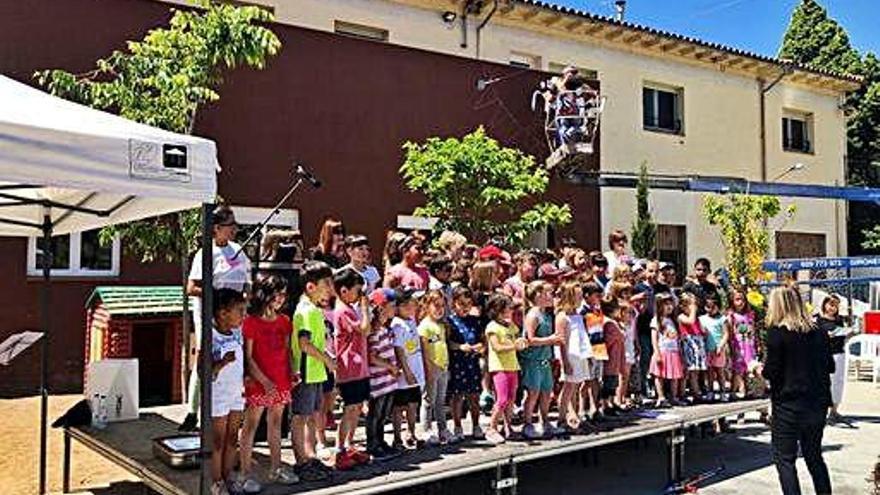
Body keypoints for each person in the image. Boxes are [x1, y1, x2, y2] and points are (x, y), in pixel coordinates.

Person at [182, 205, 252, 433]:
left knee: (234, 358)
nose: (234, 229)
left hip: (234, 317)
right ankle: (194, 412)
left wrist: (244, 298)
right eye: (229, 225)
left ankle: (230, 408)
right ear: (216, 228)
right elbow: (191, 288)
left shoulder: (239, 251)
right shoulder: (205, 253)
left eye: (235, 225)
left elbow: (247, 283)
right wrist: (215, 294)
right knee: (207, 359)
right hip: (211, 316)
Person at [761, 287, 833, 495]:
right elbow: (830, 366)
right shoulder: (819, 332)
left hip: (789, 403)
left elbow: (772, 372)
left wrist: (759, 370)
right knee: (814, 456)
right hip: (817, 402)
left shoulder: (777, 333)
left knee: (785, 459)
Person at [239, 276, 298, 491]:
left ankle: (276, 467)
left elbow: (287, 351)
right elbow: (249, 357)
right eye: (278, 294)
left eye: (284, 294)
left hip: (280, 380)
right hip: (259, 382)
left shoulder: (284, 321)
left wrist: (292, 372)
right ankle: (245, 473)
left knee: (276, 424)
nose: (281, 298)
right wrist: (263, 380)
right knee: (251, 425)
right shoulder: (251, 322)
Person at [290, 261, 336, 481]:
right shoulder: (306, 310)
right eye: (326, 283)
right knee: (301, 417)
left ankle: (310, 456)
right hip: (306, 372)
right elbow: (304, 343)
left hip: (316, 372)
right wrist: (327, 359)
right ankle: (301, 461)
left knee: (311, 416)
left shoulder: (315, 309)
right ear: (310, 287)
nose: (330, 288)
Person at [205, 289, 247, 495]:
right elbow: (205, 372)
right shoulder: (210, 336)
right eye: (239, 310)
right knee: (218, 440)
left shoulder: (238, 334)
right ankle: (216, 481)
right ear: (223, 313)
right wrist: (222, 363)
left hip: (236, 393)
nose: (242, 315)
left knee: (232, 438)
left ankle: (229, 475)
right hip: (218, 395)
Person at [331, 268, 372, 469]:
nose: (360, 295)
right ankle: (340, 449)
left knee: (356, 408)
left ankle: (349, 445)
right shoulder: (343, 311)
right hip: (349, 369)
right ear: (344, 291)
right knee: (349, 409)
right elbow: (365, 329)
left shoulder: (349, 308)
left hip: (359, 367)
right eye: (357, 291)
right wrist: (364, 308)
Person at [484, 293, 528, 444]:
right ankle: (492, 428)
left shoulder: (510, 326)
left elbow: (516, 339)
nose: (511, 311)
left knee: (511, 399)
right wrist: (514, 345)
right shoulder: (492, 327)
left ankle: (508, 427)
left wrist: (521, 342)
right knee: (502, 399)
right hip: (499, 367)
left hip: (512, 366)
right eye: (508, 308)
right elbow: (497, 347)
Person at [521, 281, 562, 439]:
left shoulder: (546, 314)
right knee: (533, 393)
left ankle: (544, 421)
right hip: (533, 360)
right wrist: (550, 340)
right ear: (538, 295)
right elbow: (530, 339)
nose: (551, 296)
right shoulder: (533, 315)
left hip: (545, 359)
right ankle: (527, 423)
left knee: (546, 391)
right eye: (548, 293)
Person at [365, 288, 402, 461]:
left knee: (383, 414)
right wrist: (390, 366)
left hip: (388, 380)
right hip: (378, 381)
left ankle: (380, 441)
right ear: (381, 308)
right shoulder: (374, 332)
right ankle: (373, 444)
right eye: (392, 306)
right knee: (376, 413)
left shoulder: (386, 330)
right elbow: (372, 357)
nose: (395, 310)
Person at [446, 287, 486, 441]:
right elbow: (447, 342)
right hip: (457, 363)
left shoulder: (474, 321)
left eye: (468, 304)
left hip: (472, 362)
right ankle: (457, 426)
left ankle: (476, 425)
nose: (465, 307)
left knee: (474, 396)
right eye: (461, 304)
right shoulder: (450, 321)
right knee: (457, 396)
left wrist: (479, 347)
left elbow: (482, 341)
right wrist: (459, 346)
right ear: (454, 303)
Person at [390, 289, 425, 449]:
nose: (414, 306)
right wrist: (406, 371)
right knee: (398, 407)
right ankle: (397, 437)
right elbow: (399, 350)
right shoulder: (397, 324)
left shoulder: (411, 321)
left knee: (413, 404)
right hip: (405, 372)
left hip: (416, 368)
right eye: (410, 304)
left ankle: (411, 433)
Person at [417, 290, 452, 445]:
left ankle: (442, 429)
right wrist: (429, 369)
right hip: (432, 367)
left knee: (440, 400)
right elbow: (424, 351)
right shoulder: (424, 326)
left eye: (442, 306)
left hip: (443, 366)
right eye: (436, 305)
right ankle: (426, 429)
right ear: (427, 305)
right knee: (428, 400)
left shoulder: (441, 326)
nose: (439, 309)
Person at [555, 280, 591, 433]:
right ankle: (562, 418)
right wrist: (565, 363)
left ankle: (573, 415)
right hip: (570, 355)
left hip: (580, 353)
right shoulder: (562, 317)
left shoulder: (577, 314)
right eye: (578, 296)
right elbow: (562, 342)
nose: (581, 299)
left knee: (576, 386)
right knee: (568, 386)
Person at [815, 294, 848, 423]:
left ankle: (834, 410)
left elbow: (843, 335)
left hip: (839, 353)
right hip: (824, 354)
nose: (833, 308)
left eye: (835, 305)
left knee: (838, 382)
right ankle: (822, 410)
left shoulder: (839, 320)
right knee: (826, 382)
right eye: (831, 304)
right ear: (824, 304)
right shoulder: (819, 320)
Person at [651, 293, 684, 408]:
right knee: (659, 375)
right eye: (666, 304)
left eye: (671, 304)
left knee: (674, 375)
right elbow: (654, 339)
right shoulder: (656, 320)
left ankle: (673, 397)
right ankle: (661, 397)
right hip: (662, 350)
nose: (670, 307)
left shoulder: (673, 320)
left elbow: (678, 338)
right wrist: (657, 353)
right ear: (659, 305)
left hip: (673, 351)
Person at [677, 293, 708, 403]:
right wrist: (693, 310)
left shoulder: (696, 318)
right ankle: (682, 393)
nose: (693, 307)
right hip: (688, 343)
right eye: (690, 304)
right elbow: (690, 321)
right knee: (687, 371)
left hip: (697, 343)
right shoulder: (681, 316)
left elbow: (702, 331)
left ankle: (696, 393)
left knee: (696, 371)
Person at [699, 295, 731, 402]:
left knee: (720, 371)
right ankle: (710, 391)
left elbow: (726, 334)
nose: (710, 309)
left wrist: (721, 346)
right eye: (707, 307)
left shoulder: (722, 319)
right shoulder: (702, 319)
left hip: (718, 349)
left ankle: (722, 392)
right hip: (707, 349)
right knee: (709, 372)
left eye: (713, 307)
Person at [728, 288, 757, 400]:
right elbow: (730, 332)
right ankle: (737, 390)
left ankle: (747, 388)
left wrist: (756, 344)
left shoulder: (750, 315)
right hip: (738, 345)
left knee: (747, 367)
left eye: (743, 299)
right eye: (737, 299)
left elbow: (753, 329)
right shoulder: (732, 316)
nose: (741, 302)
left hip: (748, 344)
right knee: (738, 368)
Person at [601, 296, 626, 413]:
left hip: (615, 355)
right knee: (609, 382)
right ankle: (606, 404)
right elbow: (614, 338)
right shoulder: (608, 322)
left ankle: (611, 402)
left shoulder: (612, 321)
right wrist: (620, 333)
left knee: (613, 380)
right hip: (610, 356)